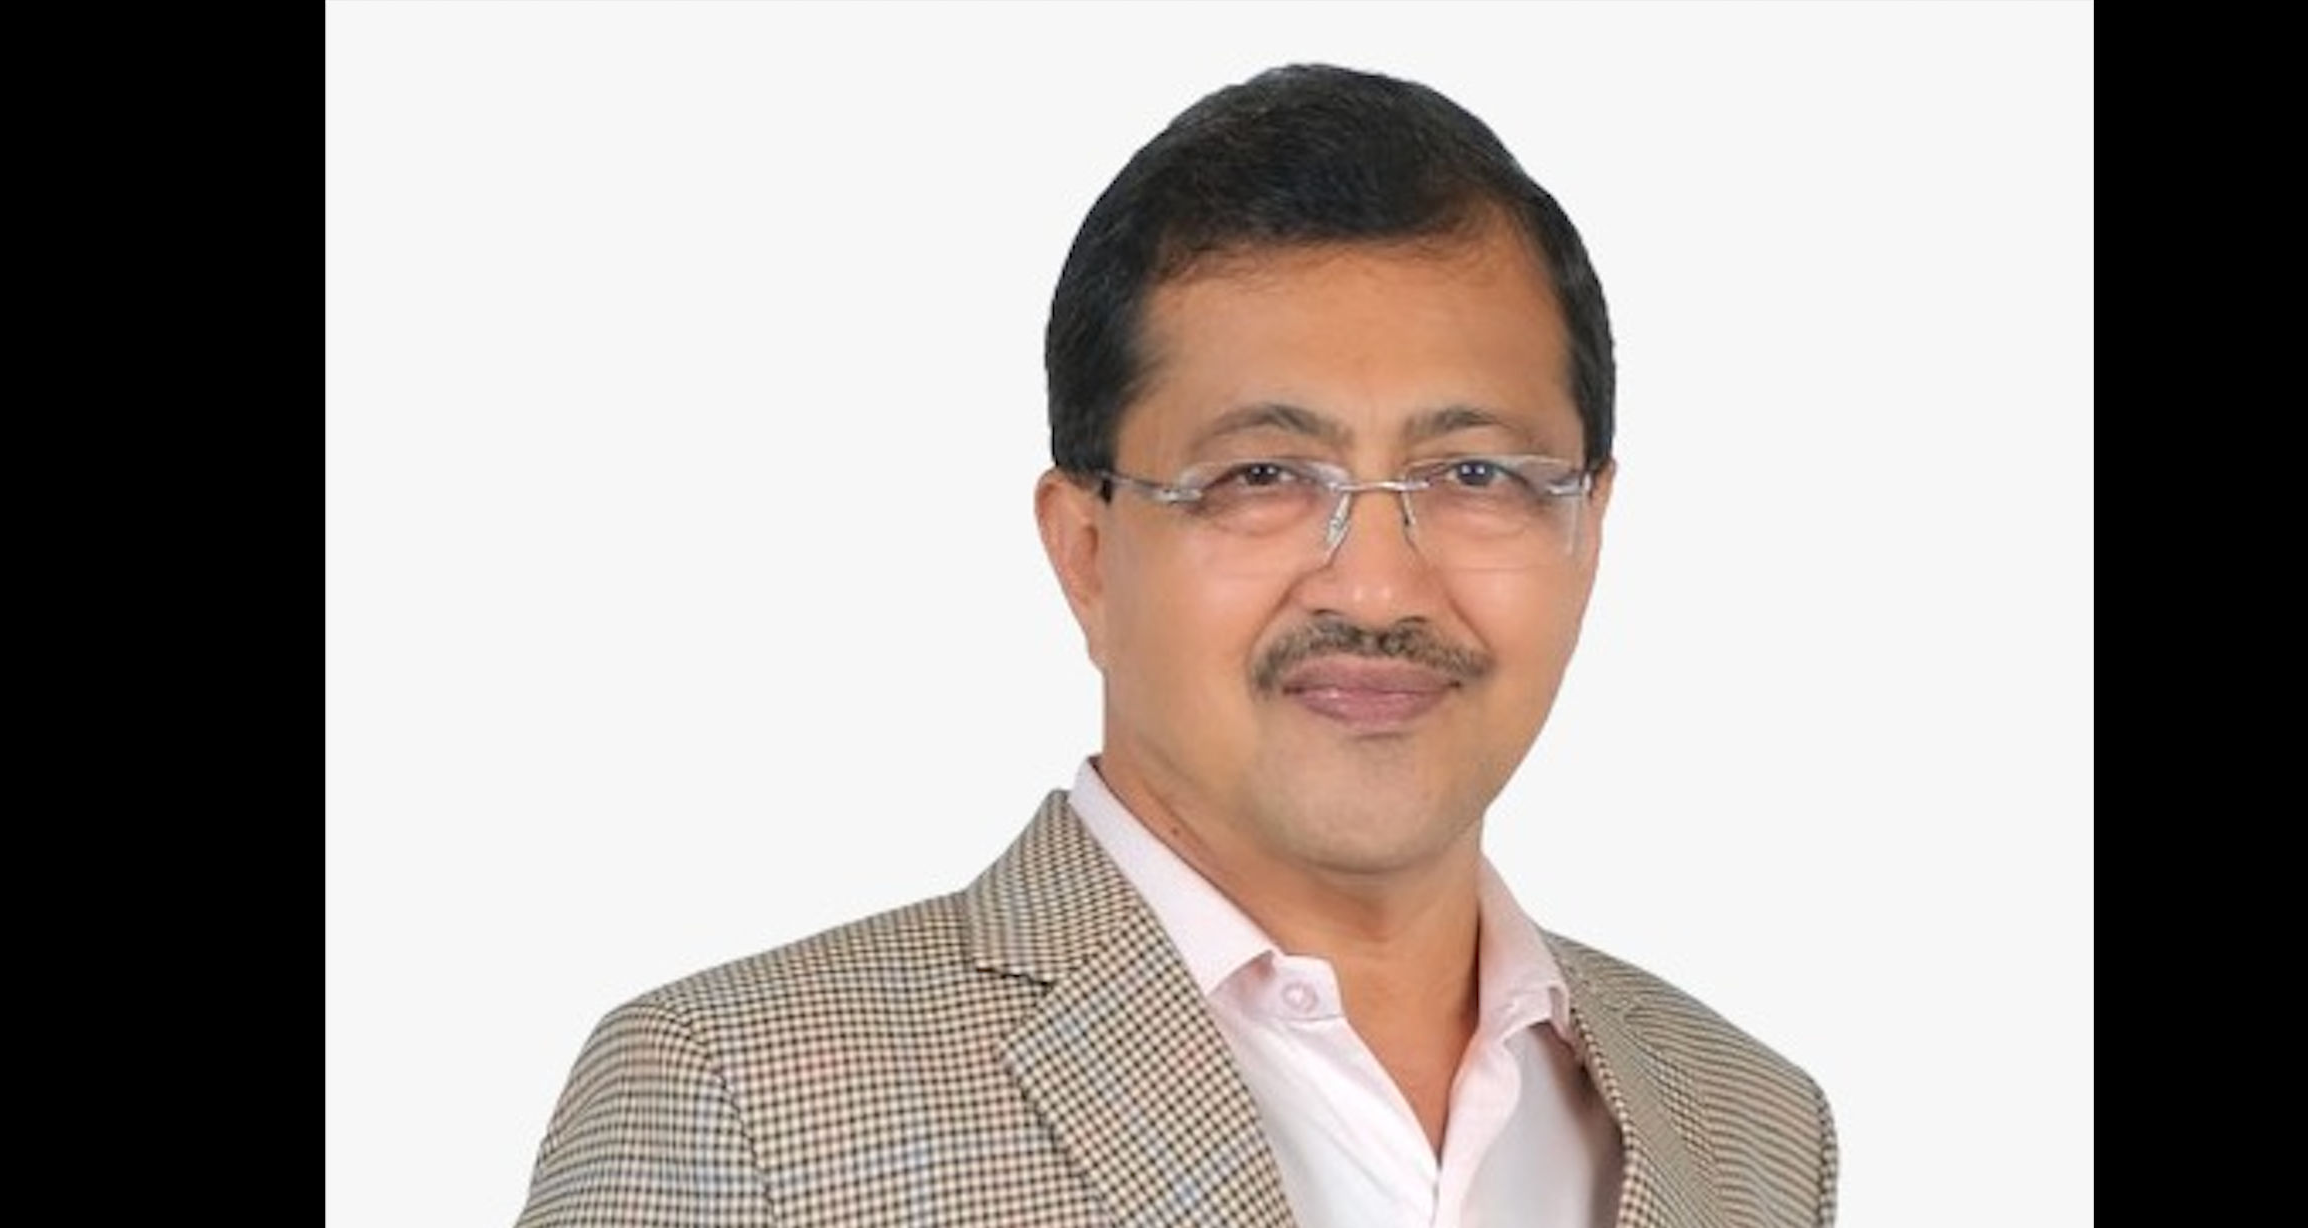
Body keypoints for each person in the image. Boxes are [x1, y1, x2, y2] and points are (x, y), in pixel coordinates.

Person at [514, 63, 1835, 1227]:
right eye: (1263, 475)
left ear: (1587, 530)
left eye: (1475, 474)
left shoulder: (1750, 1125)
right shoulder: (744, 1107)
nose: (1378, 583)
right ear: (1086, 550)